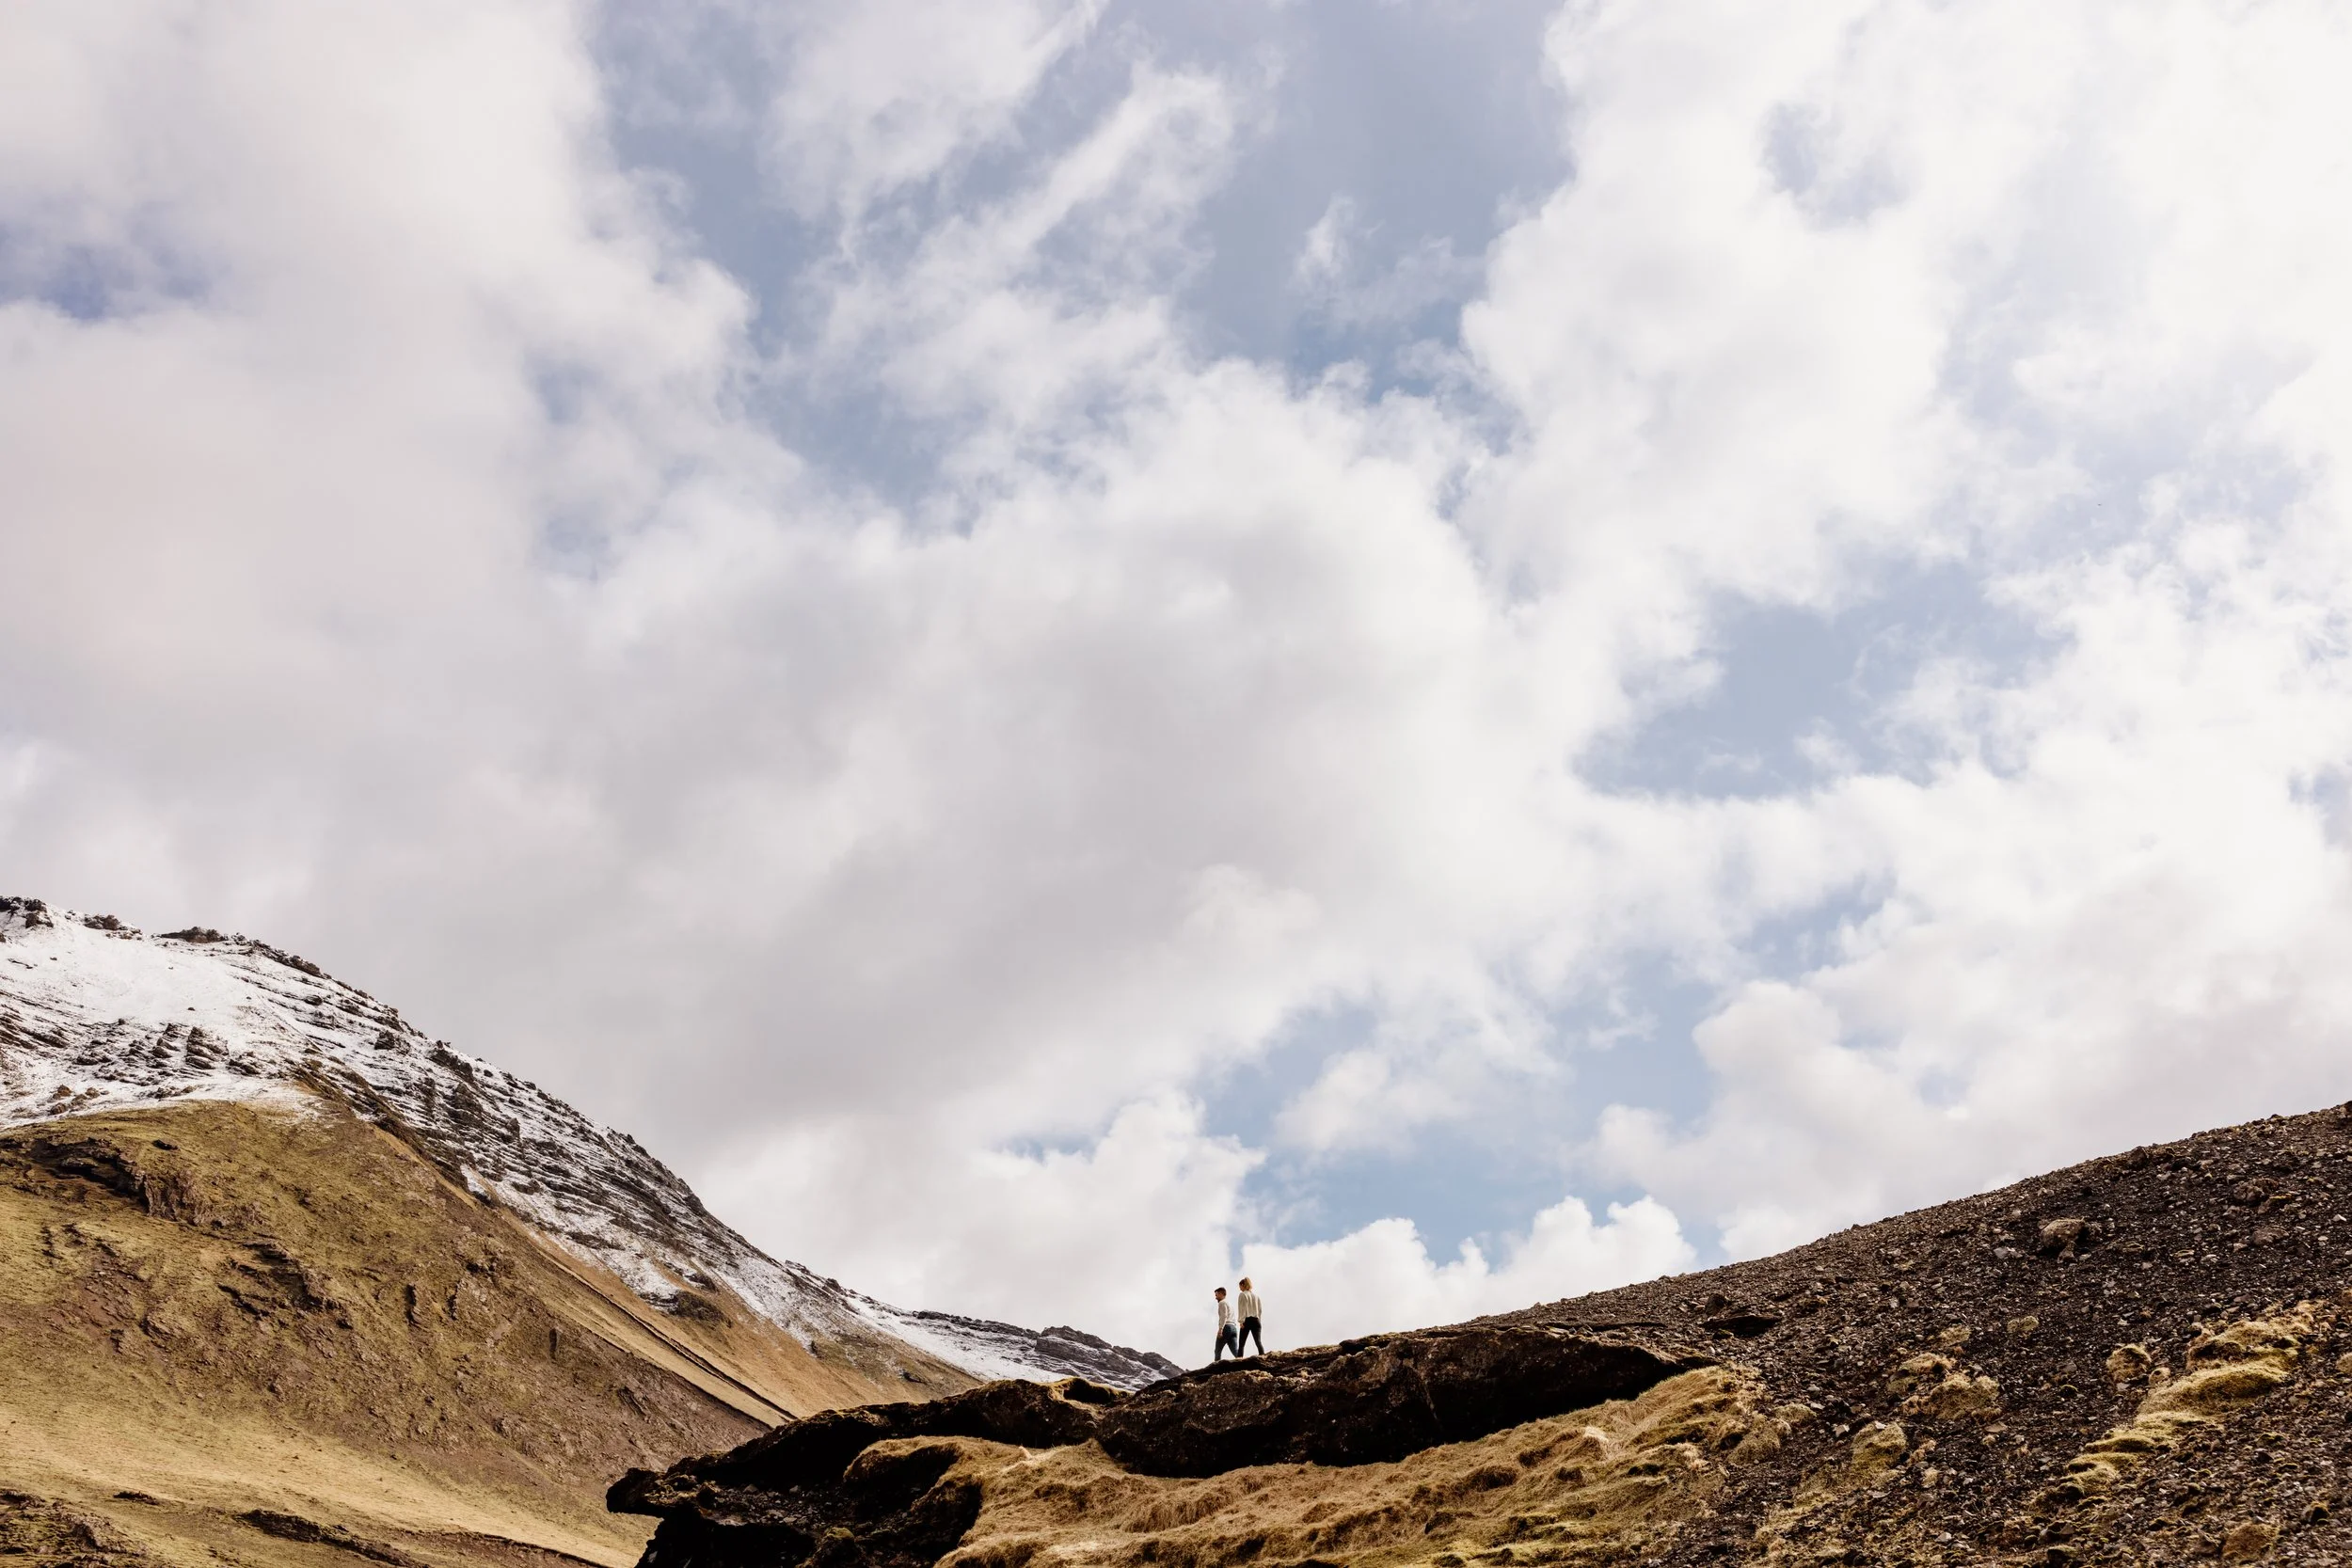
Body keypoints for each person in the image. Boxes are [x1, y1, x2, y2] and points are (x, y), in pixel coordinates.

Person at [1235, 1276, 1264, 1355]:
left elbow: (1242, 1309)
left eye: (1240, 1286)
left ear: (1242, 1285)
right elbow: (1260, 1311)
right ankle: (1263, 1357)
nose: (1239, 1288)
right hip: (1256, 1320)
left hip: (1247, 1321)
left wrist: (1241, 1322)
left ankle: (1239, 1362)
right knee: (1258, 1342)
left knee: (1241, 1344)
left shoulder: (1242, 1295)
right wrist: (1259, 1321)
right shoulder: (1256, 1296)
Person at [1213, 1286, 1240, 1361]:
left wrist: (1221, 1329)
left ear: (1221, 1294)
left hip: (1226, 1328)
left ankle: (1217, 1370)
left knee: (1217, 1351)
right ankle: (1247, 1365)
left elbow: (1224, 1316)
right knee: (1235, 1351)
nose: (1216, 1298)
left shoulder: (1222, 1303)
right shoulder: (1229, 1304)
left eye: (1216, 1295)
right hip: (1233, 1328)